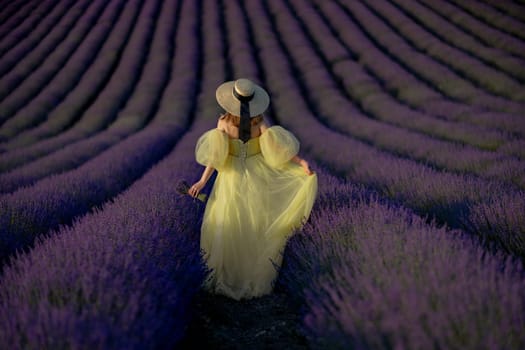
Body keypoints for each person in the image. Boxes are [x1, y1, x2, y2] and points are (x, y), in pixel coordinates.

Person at [188, 78, 317, 300]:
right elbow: (277, 149)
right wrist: (300, 162)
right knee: (256, 224)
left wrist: (202, 181)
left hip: (231, 176)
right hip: (258, 174)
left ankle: (229, 276)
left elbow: (215, 158)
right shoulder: (259, 122)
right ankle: (254, 276)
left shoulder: (223, 124)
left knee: (229, 223)